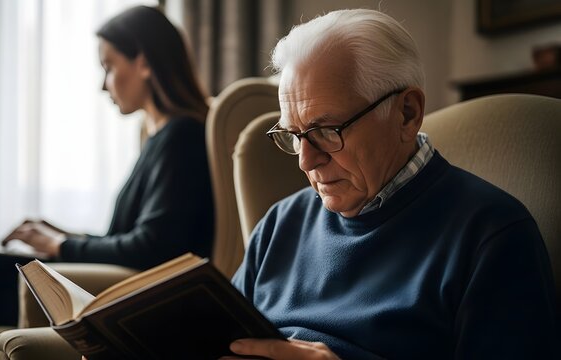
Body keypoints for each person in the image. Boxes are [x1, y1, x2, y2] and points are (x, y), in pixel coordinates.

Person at [223, 9, 557, 360]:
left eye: (326, 131)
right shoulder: (279, 225)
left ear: (407, 114)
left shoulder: (492, 235)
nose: (306, 161)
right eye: (295, 135)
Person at [0, 6, 214, 359]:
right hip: (118, 280)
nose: (102, 84)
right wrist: (63, 236)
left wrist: (60, 244)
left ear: (143, 62)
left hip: (132, 297)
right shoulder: (160, 138)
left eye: (108, 67)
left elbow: (154, 248)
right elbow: (133, 237)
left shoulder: (182, 137)